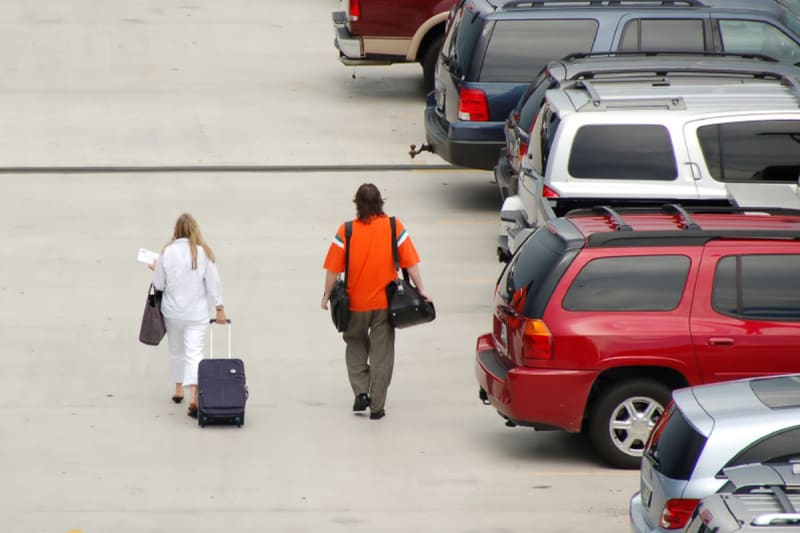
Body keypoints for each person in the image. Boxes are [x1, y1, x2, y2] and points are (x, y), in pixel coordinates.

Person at [321, 183, 430, 420]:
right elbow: (410, 263)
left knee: (355, 346)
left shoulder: (346, 231)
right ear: (381, 201)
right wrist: (422, 290)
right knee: (382, 355)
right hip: (384, 306)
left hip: (355, 306)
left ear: (357, 204)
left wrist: (326, 295)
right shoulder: (394, 227)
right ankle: (377, 406)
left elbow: (332, 270)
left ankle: (361, 392)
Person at [150, 213, 226, 418]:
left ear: (176, 230)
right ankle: (194, 395)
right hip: (197, 313)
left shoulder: (167, 252)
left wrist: (156, 268)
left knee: (176, 351)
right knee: (194, 352)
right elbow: (213, 284)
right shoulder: (204, 253)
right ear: (195, 230)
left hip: (172, 312)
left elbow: (159, 285)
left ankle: (177, 390)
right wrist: (219, 308)